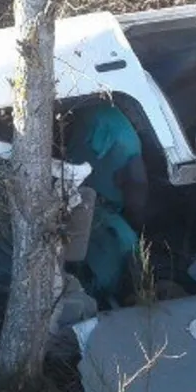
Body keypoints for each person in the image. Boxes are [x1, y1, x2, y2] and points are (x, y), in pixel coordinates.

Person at [64, 102, 148, 307]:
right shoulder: (124, 241)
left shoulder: (93, 110)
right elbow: (137, 190)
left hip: (72, 185)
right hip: (89, 197)